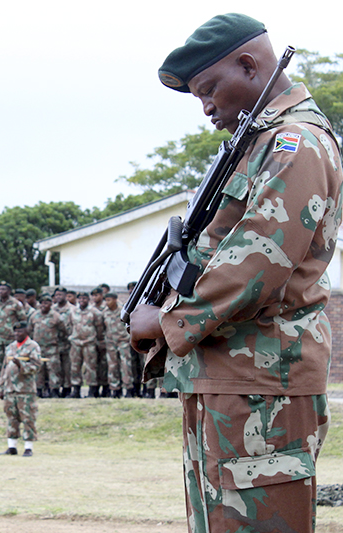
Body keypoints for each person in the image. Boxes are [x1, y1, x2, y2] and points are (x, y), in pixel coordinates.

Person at [130, 13, 343, 532]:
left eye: (209, 89)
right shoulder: (257, 145)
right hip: (231, 376)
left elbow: (258, 262)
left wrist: (166, 321)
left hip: (263, 383)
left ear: (249, 65)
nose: (206, 108)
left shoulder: (296, 144)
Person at [0, 321, 41, 457]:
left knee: (28, 418)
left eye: (20, 331)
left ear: (26, 332)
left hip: (25, 389)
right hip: (10, 388)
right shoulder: (10, 347)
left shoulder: (33, 346)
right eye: (15, 331)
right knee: (11, 417)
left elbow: (36, 366)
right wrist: (1, 386)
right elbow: (5, 368)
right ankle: (12, 446)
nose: (17, 334)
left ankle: (28, 447)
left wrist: (21, 365)